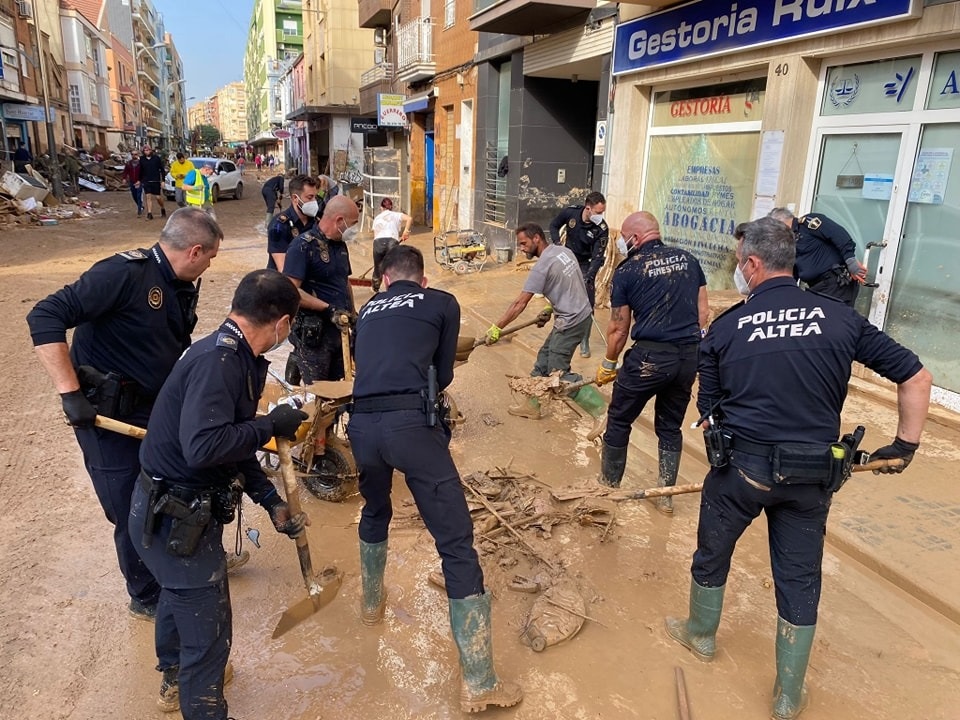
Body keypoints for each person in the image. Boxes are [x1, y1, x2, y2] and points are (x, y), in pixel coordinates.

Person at [664, 217, 932, 720]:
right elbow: (917, 378)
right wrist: (903, 446)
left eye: (740, 261)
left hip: (740, 474)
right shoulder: (841, 319)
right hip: (811, 478)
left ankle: (700, 636)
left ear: (753, 264)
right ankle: (787, 696)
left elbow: (707, 412)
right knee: (799, 578)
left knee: (711, 554)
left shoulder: (724, 327)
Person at [348, 245, 523, 713]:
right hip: (412, 428)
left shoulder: (365, 311)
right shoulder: (442, 302)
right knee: (455, 542)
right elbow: (442, 375)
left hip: (361, 427)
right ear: (422, 280)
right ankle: (481, 683)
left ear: (384, 281)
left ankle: (371, 606)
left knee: (375, 510)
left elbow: (363, 368)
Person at [26, 208, 223, 621]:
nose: (211, 264)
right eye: (210, 257)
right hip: (106, 418)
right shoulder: (122, 274)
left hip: (153, 412)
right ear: (194, 250)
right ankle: (146, 595)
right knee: (129, 505)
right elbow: (44, 315)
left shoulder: (179, 283)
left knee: (173, 486)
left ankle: (179, 564)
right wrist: (70, 394)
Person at [129, 269, 310, 720]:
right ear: (283, 324)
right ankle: (199, 699)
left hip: (164, 515)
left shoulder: (231, 354)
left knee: (177, 597)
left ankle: (173, 680)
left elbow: (231, 442)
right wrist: (271, 425)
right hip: (174, 518)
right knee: (209, 637)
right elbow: (205, 446)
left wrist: (271, 501)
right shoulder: (220, 363)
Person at [594, 211, 708, 514]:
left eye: (623, 238)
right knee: (670, 427)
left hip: (649, 359)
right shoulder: (689, 260)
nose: (621, 242)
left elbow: (619, 328)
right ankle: (665, 495)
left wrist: (609, 362)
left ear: (635, 237)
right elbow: (703, 314)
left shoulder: (629, 270)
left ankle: (608, 489)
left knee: (619, 419)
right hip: (687, 357)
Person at [485, 223, 592, 419]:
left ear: (537, 238)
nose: (522, 248)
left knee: (558, 375)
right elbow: (568, 285)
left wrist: (496, 328)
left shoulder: (541, 267)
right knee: (543, 360)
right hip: (581, 315)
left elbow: (519, 304)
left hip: (571, 322)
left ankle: (601, 412)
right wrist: (549, 308)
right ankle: (532, 406)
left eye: (524, 243)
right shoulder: (563, 251)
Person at [283, 195, 359, 384]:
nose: (355, 229)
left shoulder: (340, 245)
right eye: (353, 223)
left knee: (339, 389)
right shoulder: (302, 246)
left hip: (339, 331)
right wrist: (328, 309)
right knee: (318, 393)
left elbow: (344, 281)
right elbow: (290, 291)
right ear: (339, 220)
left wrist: (353, 313)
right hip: (314, 334)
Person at [549, 191, 609, 358]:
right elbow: (554, 225)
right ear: (588, 208)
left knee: (588, 304)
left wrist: (589, 276)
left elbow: (598, 256)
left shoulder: (601, 229)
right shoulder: (571, 212)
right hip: (566, 259)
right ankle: (559, 333)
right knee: (560, 297)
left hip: (585, 264)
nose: (601, 216)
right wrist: (557, 243)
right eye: (598, 212)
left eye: (602, 212)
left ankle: (584, 340)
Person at [768, 207, 867, 307]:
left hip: (835, 283)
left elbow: (839, 235)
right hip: (818, 287)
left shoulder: (808, 223)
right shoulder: (789, 239)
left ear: (780, 224)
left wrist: (851, 261)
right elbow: (794, 270)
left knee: (831, 318)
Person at [267, 174, 318, 272]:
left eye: (315, 197)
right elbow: (283, 269)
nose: (314, 202)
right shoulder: (279, 226)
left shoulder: (316, 222)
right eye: (310, 197)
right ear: (295, 198)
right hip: (283, 282)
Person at [370, 197, 413, 292]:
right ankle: (394, 288)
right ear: (391, 207)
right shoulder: (396, 215)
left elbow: (376, 236)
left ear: (381, 207)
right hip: (392, 242)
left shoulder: (377, 218)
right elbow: (409, 218)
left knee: (378, 267)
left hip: (378, 242)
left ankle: (375, 287)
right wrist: (406, 232)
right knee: (394, 267)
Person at [138, 145, 167, 220]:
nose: (147, 152)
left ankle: (162, 208)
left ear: (151, 150)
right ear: (143, 152)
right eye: (145, 150)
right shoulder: (142, 159)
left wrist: (163, 180)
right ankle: (149, 213)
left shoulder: (156, 158)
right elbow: (140, 171)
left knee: (158, 197)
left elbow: (162, 170)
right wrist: (139, 180)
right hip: (146, 180)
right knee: (148, 196)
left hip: (156, 180)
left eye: (148, 150)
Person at [121, 150, 144, 217]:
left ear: (138, 155)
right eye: (133, 154)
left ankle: (139, 209)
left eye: (135, 154)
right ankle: (140, 206)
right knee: (134, 196)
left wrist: (140, 180)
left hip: (139, 182)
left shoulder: (141, 164)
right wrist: (124, 178)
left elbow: (144, 173)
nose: (134, 156)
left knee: (139, 195)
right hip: (132, 181)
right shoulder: (128, 164)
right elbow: (125, 172)